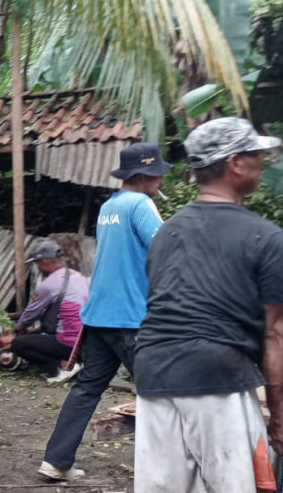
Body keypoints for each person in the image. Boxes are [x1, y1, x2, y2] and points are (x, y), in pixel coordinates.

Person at [133, 118, 283, 493]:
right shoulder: (263, 236)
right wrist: (282, 416)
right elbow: (273, 331)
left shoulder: (166, 233)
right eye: (256, 154)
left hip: (153, 373)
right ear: (236, 162)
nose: (263, 161)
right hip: (218, 379)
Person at [39, 142, 171, 481]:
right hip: (130, 318)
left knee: (86, 390)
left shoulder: (109, 207)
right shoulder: (141, 205)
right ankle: (164, 472)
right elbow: (166, 253)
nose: (160, 180)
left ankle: (55, 460)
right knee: (160, 394)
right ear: (143, 174)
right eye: (157, 173)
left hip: (98, 316)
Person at [9, 239, 88, 382]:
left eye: (37, 263)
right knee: (40, 338)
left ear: (44, 262)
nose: (37, 268)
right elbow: (62, 319)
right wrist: (34, 331)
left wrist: (15, 329)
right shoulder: (78, 276)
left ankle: (63, 366)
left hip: (70, 344)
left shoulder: (49, 284)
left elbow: (29, 316)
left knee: (18, 344)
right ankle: (74, 362)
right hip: (87, 343)